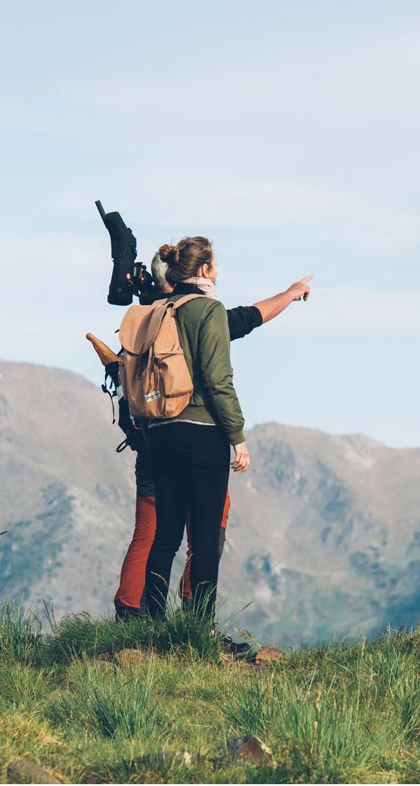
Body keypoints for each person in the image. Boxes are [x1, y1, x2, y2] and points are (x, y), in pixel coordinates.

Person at [100, 254, 312, 618]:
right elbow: (253, 316)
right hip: (198, 435)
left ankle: (133, 613)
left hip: (152, 440)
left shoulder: (148, 318)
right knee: (206, 528)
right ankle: (194, 619)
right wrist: (291, 294)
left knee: (151, 531)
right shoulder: (200, 314)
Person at [133, 236, 278, 621]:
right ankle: (198, 628)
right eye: (215, 263)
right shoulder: (207, 310)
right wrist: (238, 437)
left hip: (159, 431)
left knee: (165, 535)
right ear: (204, 270)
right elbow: (217, 380)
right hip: (201, 430)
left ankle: (151, 623)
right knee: (205, 538)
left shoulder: (156, 309)